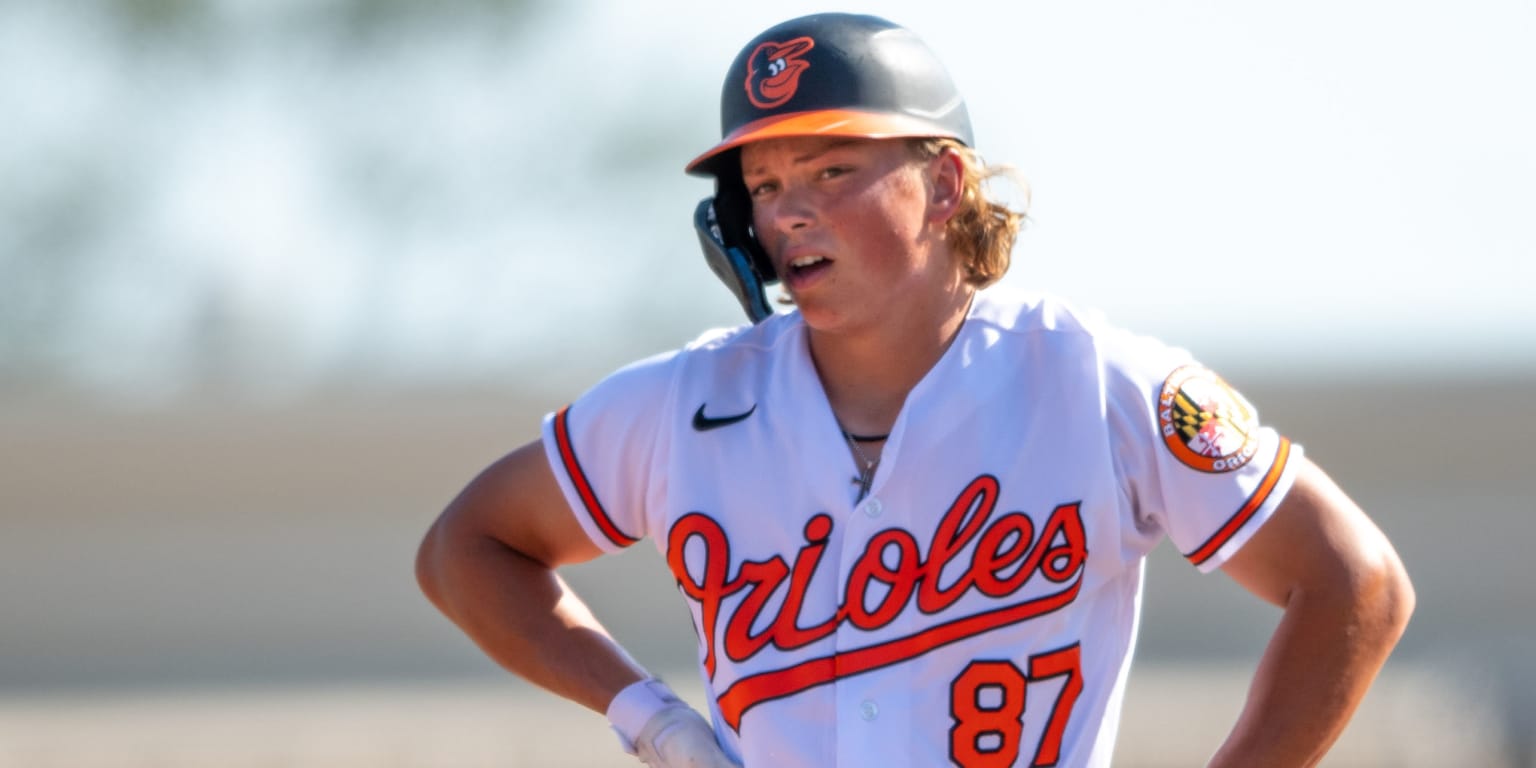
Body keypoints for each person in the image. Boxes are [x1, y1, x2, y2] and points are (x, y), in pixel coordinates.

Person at [416, 12, 1414, 767]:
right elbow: (465, 548)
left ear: (943, 187)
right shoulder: (683, 403)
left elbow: (1356, 585)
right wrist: (650, 719)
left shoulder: (1091, 379)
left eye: (831, 170)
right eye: (764, 188)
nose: (791, 214)